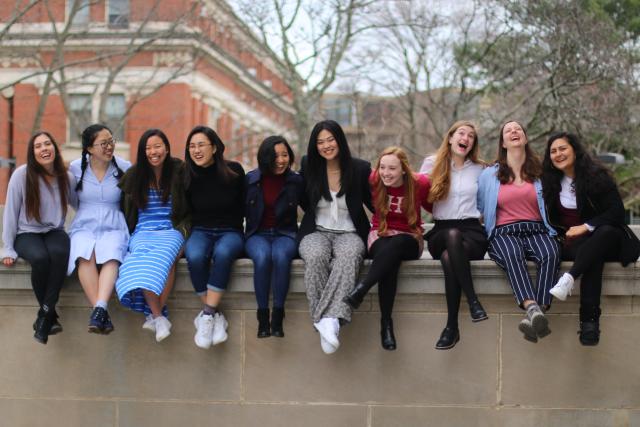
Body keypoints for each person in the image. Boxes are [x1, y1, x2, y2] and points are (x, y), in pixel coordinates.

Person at [542, 132, 639, 345]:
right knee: (592, 255)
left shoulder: (597, 176)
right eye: (553, 151)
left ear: (575, 150)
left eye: (563, 148)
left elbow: (617, 213)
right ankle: (589, 325)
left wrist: (585, 226)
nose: (558, 154)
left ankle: (569, 280)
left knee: (603, 234)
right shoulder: (549, 183)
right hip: (575, 245)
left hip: (609, 239)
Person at [477, 120, 560, 343]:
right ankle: (532, 306)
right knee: (512, 255)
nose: (514, 132)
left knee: (551, 253)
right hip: (504, 232)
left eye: (518, 129)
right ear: (503, 142)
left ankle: (536, 313)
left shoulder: (541, 171)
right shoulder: (489, 175)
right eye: (508, 130)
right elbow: (478, 206)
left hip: (537, 229)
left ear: (524, 137)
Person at [343, 146, 431, 350]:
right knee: (388, 260)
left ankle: (362, 288)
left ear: (403, 170)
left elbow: (434, 205)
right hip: (380, 233)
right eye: (382, 167)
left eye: (392, 168)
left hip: (409, 237)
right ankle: (386, 324)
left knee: (397, 244)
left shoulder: (419, 183)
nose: (386, 173)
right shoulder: (374, 180)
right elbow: (351, 168)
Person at [298, 119, 373, 354]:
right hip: (316, 230)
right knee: (316, 256)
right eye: (320, 142)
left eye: (330, 139)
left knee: (350, 256)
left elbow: (374, 203)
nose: (326, 145)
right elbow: (301, 199)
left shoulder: (360, 168)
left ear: (340, 140)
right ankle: (329, 322)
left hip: (349, 231)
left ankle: (326, 320)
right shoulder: (308, 165)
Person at [419, 121, 488, 350]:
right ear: (450, 137)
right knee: (451, 234)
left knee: (450, 258)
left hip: (472, 233)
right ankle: (473, 301)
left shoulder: (481, 170)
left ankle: (451, 327)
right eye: (461, 133)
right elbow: (419, 196)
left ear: (472, 144)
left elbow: (489, 203)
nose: (466, 138)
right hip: (441, 230)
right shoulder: (432, 164)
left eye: (471, 136)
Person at [1, 131, 75, 344]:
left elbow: (80, 205)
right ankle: (49, 315)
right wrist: (8, 247)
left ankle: (44, 316)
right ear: (32, 153)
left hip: (55, 231)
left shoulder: (66, 177)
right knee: (41, 259)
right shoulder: (22, 175)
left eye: (47, 144)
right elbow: (11, 212)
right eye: (38, 146)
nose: (44, 149)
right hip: (26, 233)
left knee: (60, 252)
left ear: (54, 147)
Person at [115, 129, 189, 342]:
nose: (153, 152)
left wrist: (186, 231)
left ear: (166, 147)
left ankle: (155, 315)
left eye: (157, 146)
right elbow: (125, 208)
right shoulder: (134, 175)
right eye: (148, 148)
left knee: (166, 259)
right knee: (137, 264)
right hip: (143, 230)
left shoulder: (179, 171)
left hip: (171, 229)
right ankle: (158, 317)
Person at [184, 125, 245, 350]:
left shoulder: (234, 171)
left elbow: (247, 205)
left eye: (201, 145)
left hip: (231, 231)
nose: (196, 150)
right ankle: (213, 316)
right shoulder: (187, 175)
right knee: (195, 255)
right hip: (201, 231)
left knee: (223, 253)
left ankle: (207, 314)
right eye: (191, 146)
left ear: (215, 147)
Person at [67, 124, 130, 334]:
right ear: (89, 148)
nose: (109, 147)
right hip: (84, 221)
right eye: (103, 143)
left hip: (114, 222)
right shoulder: (76, 168)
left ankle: (99, 309)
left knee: (112, 254)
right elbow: (73, 199)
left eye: (111, 141)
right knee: (84, 252)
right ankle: (101, 311)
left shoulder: (124, 167)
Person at [244, 136, 303, 338]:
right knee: (261, 258)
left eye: (285, 155)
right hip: (257, 234)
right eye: (275, 155)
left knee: (280, 257)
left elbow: (311, 210)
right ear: (265, 157)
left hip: (285, 234)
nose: (281, 160)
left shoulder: (296, 181)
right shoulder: (251, 180)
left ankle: (278, 316)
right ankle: (262, 317)